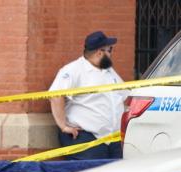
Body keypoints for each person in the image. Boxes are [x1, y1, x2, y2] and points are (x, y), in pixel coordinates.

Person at [49, 31, 128, 159]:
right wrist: (63, 126)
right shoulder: (74, 70)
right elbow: (56, 95)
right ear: (99, 52)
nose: (111, 54)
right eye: (110, 50)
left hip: (112, 139)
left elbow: (125, 95)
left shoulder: (109, 71)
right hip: (86, 139)